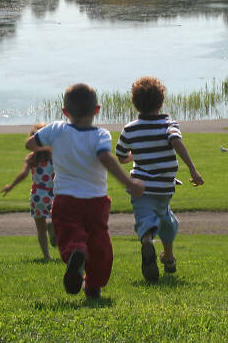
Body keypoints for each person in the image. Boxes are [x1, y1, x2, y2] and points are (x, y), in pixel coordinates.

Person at [25, 83, 144, 300]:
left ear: (64, 112)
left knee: (70, 235)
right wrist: (128, 182)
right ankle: (93, 286)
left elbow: (30, 144)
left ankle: (76, 252)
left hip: (65, 199)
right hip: (96, 201)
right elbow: (105, 158)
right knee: (99, 243)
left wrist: (49, 146)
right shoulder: (101, 135)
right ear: (97, 110)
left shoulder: (56, 129)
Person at [115, 76, 204, 283]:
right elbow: (176, 141)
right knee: (166, 221)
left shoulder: (130, 129)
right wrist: (192, 169)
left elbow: (121, 156)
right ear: (161, 101)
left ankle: (147, 240)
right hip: (163, 187)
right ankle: (169, 257)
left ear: (135, 103)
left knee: (145, 219)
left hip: (139, 187)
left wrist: (134, 155)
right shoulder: (168, 124)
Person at [1, 123, 56, 261]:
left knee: (40, 230)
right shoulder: (54, 156)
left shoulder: (31, 158)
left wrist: (11, 185)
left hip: (37, 196)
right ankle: (54, 226)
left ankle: (46, 256)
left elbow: (23, 174)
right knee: (59, 221)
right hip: (53, 195)